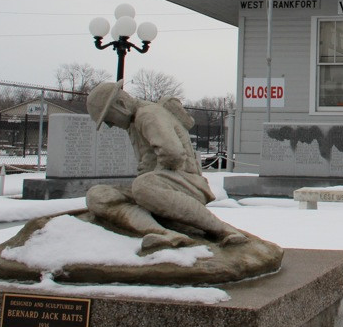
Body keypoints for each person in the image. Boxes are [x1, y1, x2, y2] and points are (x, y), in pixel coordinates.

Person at [85, 80, 248, 251]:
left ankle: (223, 230)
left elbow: (173, 155)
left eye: (108, 118)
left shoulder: (147, 114)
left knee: (142, 186)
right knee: (98, 195)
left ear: (120, 104)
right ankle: (164, 234)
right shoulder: (133, 121)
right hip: (159, 186)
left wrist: (149, 179)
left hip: (186, 184)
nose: (110, 125)